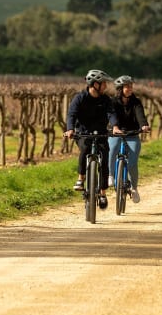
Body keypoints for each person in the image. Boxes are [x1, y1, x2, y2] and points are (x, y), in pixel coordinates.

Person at [63, 69, 117, 210]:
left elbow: (111, 113)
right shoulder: (79, 98)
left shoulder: (106, 100)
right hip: (83, 133)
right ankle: (81, 179)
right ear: (94, 84)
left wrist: (115, 126)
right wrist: (70, 129)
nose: (105, 86)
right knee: (85, 149)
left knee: (104, 158)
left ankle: (103, 193)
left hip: (101, 133)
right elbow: (71, 115)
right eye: (103, 83)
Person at [108, 75, 151, 204]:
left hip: (132, 134)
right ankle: (110, 175)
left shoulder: (136, 102)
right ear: (120, 88)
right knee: (112, 150)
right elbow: (112, 115)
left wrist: (143, 125)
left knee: (132, 163)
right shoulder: (113, 102)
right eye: (127, 86)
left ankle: (134, 188)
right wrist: (115, 126)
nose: (130, 89)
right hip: (116, 133)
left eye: (131, 86)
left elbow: (140, 114)